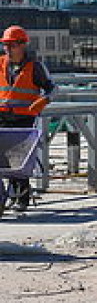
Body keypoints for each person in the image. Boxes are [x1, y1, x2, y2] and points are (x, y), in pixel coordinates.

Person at [0, 26, 54, 212]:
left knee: (20, 160)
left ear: (22, 45)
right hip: (2, 117)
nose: (7, 49)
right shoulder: (0, 64)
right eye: (5, 45)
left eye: (11, 45)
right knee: (4, 160)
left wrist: (43, 100)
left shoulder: (35, 67)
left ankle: (21, 196)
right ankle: (7, 195)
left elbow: (52, 88)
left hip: (24, 119)